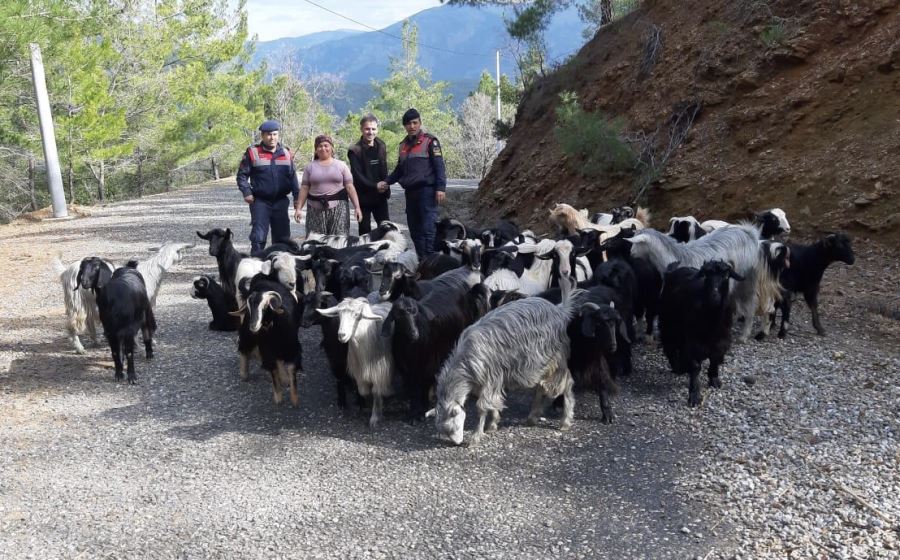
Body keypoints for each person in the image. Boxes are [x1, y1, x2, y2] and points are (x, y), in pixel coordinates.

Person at [378, 108, 446, 256]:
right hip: (411, 193)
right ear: (405, 126)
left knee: (429, 229)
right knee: (415, 230)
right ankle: (422, 261)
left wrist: (441, 188)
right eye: (408, 124)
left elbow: (439, 166)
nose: (412, 126)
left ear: (420, 123)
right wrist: (387, 182)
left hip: (427, 192)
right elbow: (399, 170)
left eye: (415, 123)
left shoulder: (430, 141)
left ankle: (431, 263)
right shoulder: (403, 145)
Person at [236, 120, 300, 254]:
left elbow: (292, 177)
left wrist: (296, 197)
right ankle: (256, 266)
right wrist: (247, 192)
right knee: (258, 237)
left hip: (281, 201)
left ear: (278, 135)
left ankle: (278, 267)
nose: (272, 138)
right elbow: (241, 176)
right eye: (269, 135)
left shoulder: (286, 153)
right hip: (260, 202)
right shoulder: (252, 152)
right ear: (262, 136)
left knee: (282, 238)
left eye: (275, 134)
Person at [295, 134, 362, 236]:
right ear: (316, 149)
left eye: (326, 145)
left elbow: (349, 187)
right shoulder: (310, 167)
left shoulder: (341, 165)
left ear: (331, 148)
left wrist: (357, 207)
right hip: (315, 209)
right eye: (320, 146)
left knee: (339, 240)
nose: (323, 148)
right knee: (315, 242)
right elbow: (304, 188)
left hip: (339, 209)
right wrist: (299, 209)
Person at [347, 114, 390, 236]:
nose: (370, 132)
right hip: (363, 197)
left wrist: (386, 184)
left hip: (380, 196)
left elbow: (384, 169)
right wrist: (375, 185)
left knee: (386, 230)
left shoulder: (381, 145)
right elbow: (358, 176)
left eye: (373, 129)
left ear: (377, 129)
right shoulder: (355, 150)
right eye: (367, 129)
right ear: (361, 129)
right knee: (365, 232)